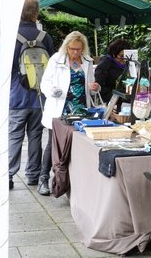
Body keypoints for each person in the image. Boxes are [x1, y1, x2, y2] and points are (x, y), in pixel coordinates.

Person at [38, 31, 100, 195]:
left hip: (80, 110)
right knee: (53, 144)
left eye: (78, 49)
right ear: (66, 47)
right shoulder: (56, 60)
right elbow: (45, 83)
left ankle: (68, 180)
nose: (75, 52)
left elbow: (91, 87)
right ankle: (43, 178)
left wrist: (94, 88)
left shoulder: (87, 61)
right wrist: (53, 91)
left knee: (76, 144)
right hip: (60, 108)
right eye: (72, 49)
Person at [8, 0, 55, 190]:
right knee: (35, 135)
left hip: (17, 95)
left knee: (14, 136)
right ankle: (33, 175)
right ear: (36, 13)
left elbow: (0, 70)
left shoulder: (12, 37)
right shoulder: (45, 37)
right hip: (39, 97)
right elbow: (52, 69)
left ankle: (9, 175)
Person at [94, 38, 131, 103]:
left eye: (126, 56)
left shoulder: (129, 64)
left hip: (125, 98)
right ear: (114, 54)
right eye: (121, 56)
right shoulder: (106, 62)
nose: (124, 60)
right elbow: (99, 82)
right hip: (110, 99)